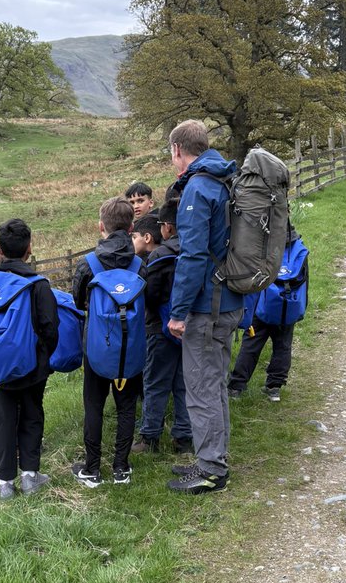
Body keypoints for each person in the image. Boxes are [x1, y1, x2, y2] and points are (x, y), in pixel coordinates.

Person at [165, 120, 244, 494]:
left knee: (201, 388)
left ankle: (212, 470)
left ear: (178, 150)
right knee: (215, 383)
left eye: (171, 155)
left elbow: (192, 256)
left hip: (205, 307)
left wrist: (178, 312)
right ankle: (212, 457)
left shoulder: (198, 188)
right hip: (229, 299)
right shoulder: (224, 180)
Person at [0, 219, 58, 500]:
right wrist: (44, 356)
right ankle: (30, 476)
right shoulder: (38, 284)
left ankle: (4, 483)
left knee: (3, 419)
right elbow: (49, 327)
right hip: (33, 365)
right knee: (32, 414)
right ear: (29, 249)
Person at [71, 196, 143, 486]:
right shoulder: (140, 264)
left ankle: (91, 468)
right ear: (131, 226)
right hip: (132, 347)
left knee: (94, 406)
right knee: (126, 406)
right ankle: (121, 468)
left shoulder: (88, 265)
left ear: (101, 226)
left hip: (97, 347)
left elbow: (78, 301)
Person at [132, 198, 193, 455]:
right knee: (184, 383)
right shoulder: (196, 249)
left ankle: (149, 438)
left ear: (167, 227)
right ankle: (184, 438)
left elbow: (151, 295)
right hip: (192, 326)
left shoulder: (161, 255)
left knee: (155, 383)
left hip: (160, 327)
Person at [228, 225, 309, 404]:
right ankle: (274, 387)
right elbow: (305, 282)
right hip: (288, 306)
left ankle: (236, 386)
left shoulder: (264, 247)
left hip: (263, 304)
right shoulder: (300, 250)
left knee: (251, 344)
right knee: (283, 345)